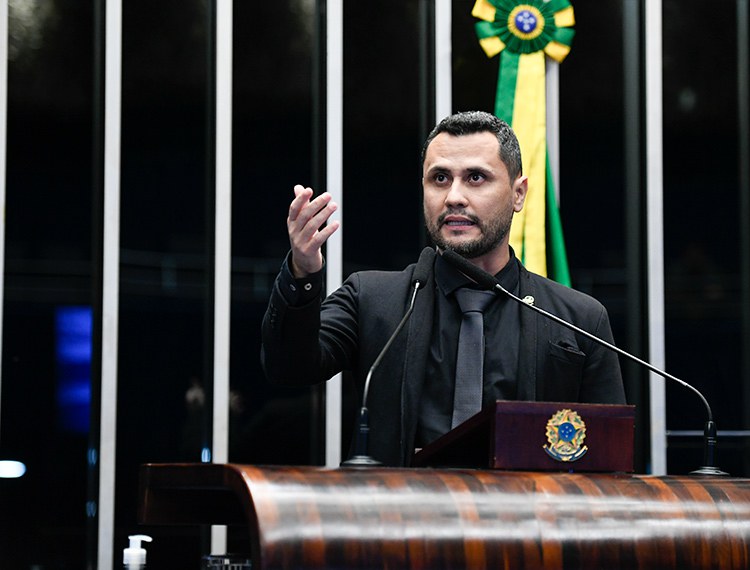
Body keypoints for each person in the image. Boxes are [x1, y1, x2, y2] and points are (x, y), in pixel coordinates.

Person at [261, 111, 625, 466]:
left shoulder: (578, 319)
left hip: (525, 521)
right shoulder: (371, 299)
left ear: (518, 194)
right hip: (404, 519)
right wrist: (302, 271)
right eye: (439, 179)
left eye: (476, 178)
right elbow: (289, 367)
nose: (453, 197)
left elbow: (609, 462)